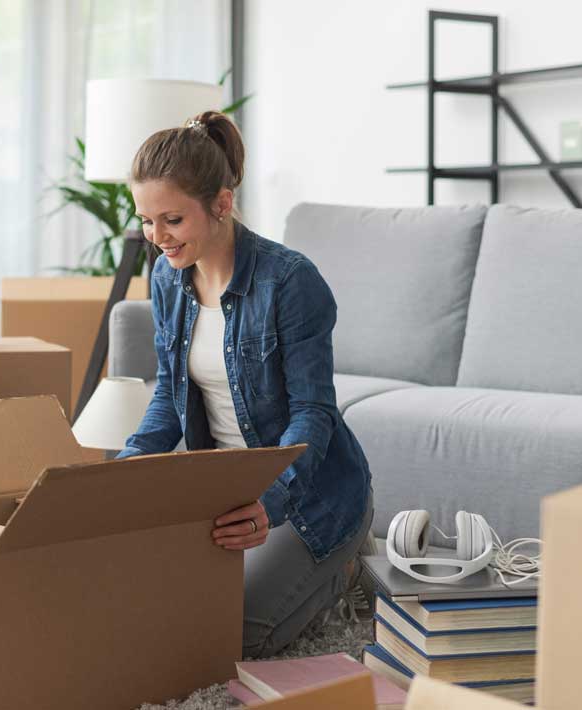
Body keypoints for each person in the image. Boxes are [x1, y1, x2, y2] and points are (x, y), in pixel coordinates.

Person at [114, 110, 374, 658]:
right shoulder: (167, 276)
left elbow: (313, 414)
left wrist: (268, 503)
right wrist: (128, 469)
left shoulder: (290, 281)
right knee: (155, 615)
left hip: (308, 498)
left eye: (172, 220)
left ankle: (345, 567)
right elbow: (170, 394)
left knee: (231, 639)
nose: (156, 237)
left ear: (222, 205)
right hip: (225, 493)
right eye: (145, 220)